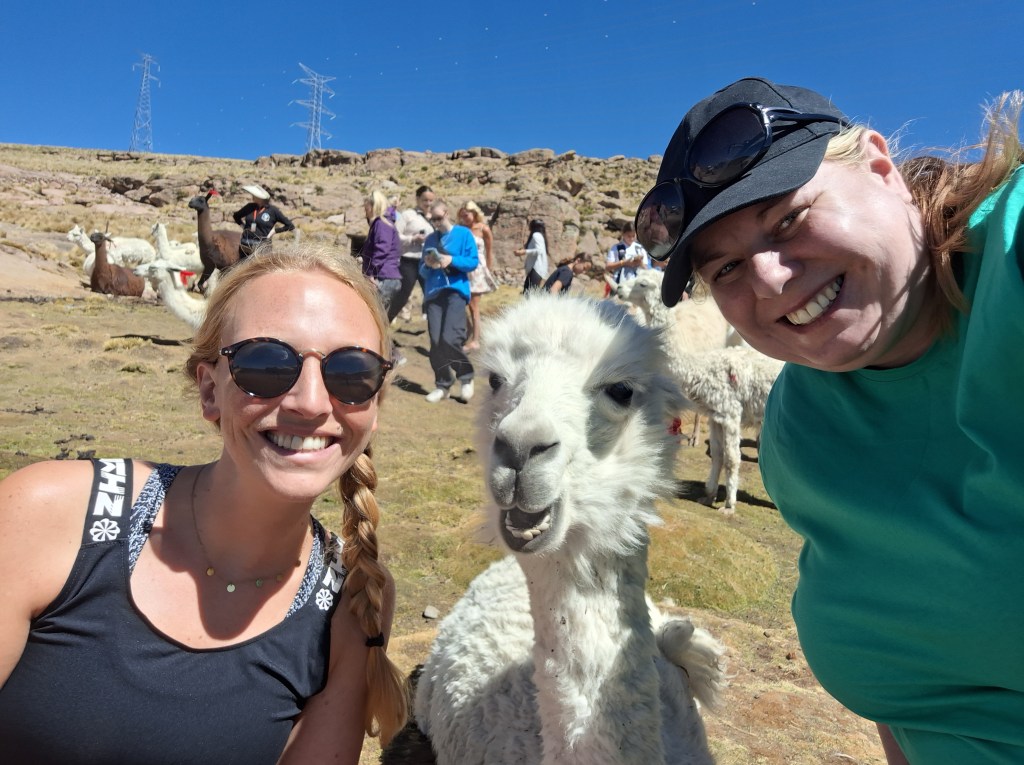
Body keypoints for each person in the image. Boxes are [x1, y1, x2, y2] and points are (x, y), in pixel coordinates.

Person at [635, 76, 1024, 764]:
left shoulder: (1011, 257)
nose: (770, 279)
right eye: (726, 268)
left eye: (788, 219)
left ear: (879, 166)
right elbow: (907, 696)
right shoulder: (801, 431)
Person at [0, 243, 409, 763]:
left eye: (352, 373)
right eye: (266, 363)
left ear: (374, 405)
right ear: (210, 390)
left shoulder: (354, 603)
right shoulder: (48, 514)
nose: (310, 402)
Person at [418, 202, 478, 403]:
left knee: (450, 338)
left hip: (455, 291)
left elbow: (473, 262)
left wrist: (451, 260)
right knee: (436, 342)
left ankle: (466, 376)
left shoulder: (464, 234)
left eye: (438, 218)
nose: (436, 223)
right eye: (432, 219)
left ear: (447, 213)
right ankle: (442, 385)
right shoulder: (430, 239)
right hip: (433, 293)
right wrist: (428, 265)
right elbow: (422, 272)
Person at [457, 200, 496, 351]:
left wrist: (488, 270)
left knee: (474, 305)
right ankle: (468, 332)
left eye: (466, 215)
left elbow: (489, 251)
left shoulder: (483, 229)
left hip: (478, 269)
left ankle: (475, 340)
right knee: (462, 302)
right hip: (464, 268)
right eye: (462, 216)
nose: (464, 218)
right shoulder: (461, 230)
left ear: (474, 213)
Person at [393, 185, 436, 321]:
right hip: (408, 261)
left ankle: (433, 324)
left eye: (431, 200)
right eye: (425, 200)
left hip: (428, 260)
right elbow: (395, 235)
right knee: (403, 294)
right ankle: (386, 321)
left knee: (431, 292)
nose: (428, 203)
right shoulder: (408, 215)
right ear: (417, 199)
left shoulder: (435, 217)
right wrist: (412, 238)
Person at [361, 189, 403, 322]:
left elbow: (381, 250)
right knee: (376, 318)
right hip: (384, 276)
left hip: (383, 277)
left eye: (367, 208)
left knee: (372, 318)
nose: (365, 211)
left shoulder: (381, 224)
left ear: (374, 206)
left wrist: (371, 273)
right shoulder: (382, 223)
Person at [232, 184, 295, 259]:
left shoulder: (273, 210)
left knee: (260, 266)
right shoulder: (250, 207)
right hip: (245, 245)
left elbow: (290, 226)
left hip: (262, 247)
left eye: (254, 195)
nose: (252, 196)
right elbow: (236, 216)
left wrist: (274, 231)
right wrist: (243, 226)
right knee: (243, 266)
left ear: (260, 198)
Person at [604, 221, 650, 295]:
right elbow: (608, 267)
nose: (631, 238)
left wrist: (640, 262)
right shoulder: (616, 248)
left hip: (635, 286)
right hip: (618, 283)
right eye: (629, 236)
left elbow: (646, 269)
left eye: (633, 236)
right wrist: (624, 263)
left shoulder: (640, 248)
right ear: (623, 234)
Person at [513, 218, 550, 292]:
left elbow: (539, 250)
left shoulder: (536, 235)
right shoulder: (540, 236)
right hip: (535, 269)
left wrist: (524, 252)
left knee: (530, 293)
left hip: (536, 269)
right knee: (528, 292)